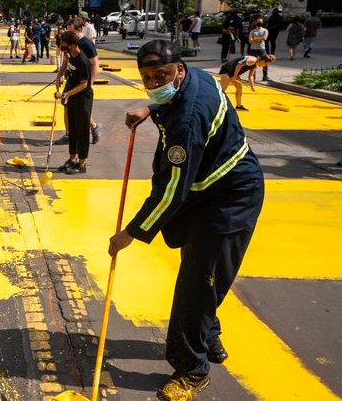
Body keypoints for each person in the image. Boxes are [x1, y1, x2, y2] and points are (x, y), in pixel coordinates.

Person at [109, 39, 264, 401]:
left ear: (178, 69)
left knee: (196, 285)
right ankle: (208, 336)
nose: (154, 82)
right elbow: (177, 99)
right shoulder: (199, 79)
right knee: (205, 275)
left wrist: (130, 233)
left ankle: (191, 368)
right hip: (209, 190)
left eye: (161, 74)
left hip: (230, 198)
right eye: (147, 78)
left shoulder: (187, 122)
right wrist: (151, 108)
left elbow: (171, 191)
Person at [54, 31, 93, 174]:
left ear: (73, 45)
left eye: (65, 46)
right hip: (72, 96)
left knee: (82, 130)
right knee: (72, 130)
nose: (63, 49)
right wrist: (59, 77)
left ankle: (82, 163)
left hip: (82, 98)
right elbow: (65, 63)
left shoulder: (82, 60)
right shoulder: (69, 54)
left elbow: (84, 84)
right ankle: (72, 159)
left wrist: (64, 94)